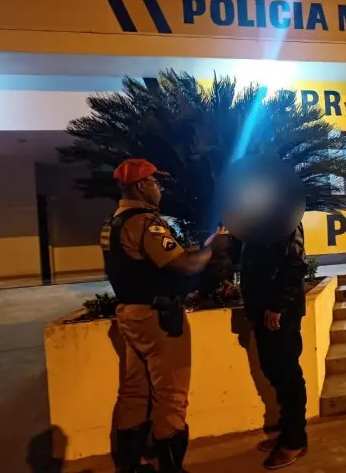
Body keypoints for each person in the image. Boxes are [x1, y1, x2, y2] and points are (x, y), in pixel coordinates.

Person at [100, 159, 221, 473]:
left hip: (129, 315)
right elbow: (184, 265)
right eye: (156, 182)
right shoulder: (145, 223)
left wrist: (193, 249)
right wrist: (211, 250)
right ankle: (171, 468)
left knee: (134, 392)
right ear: (141, 186)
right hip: (158, 319)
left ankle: (130, 465)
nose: (160, 188)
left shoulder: (112, 222)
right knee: (171, 395)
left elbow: (148, 260)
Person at [240, 222, 309, 470]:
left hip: (280, 312)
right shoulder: (260, 217)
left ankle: (294, 440)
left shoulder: (285, 216)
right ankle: (287, 432)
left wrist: (278, 304)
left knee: (286, 373)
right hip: (263, 308)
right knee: (273, 370)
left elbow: (295, 264)